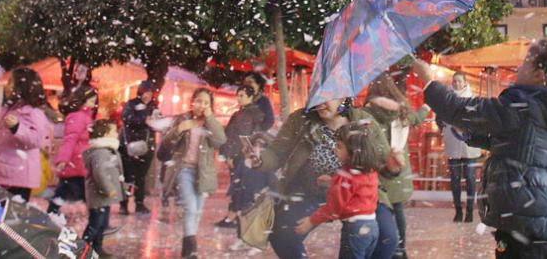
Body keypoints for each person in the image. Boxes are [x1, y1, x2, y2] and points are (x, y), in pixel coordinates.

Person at [414, 41, 547, 259]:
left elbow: (456, 108)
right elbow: (518, 145)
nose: (517, 70)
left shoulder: (520, 104)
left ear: (539, 74)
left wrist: (428, 81)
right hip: (544, 211)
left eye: (523, 64)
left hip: (523, 212)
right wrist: (468, 131)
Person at [248, 97, 397, 259]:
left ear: (344, 98)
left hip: (359, 195)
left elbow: (384, 161)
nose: (320, 102)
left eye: (328, 97)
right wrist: (259, 159)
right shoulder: (301, 119)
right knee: (283, 234)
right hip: (309, 191)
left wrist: (394, 165)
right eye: (317, 96)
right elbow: (277, 153)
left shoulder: (364, 121)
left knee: (386, 238)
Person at [294, 121, 384, 259]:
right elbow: (358, 189)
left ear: (353, 150)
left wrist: (312, 220)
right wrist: (333, 181)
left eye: (339, 146)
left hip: (355, 228)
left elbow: (334, 207)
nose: (334, 149)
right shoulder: (369, 171)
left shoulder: (345, 176)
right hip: (372, 226)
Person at [364, 72, 429, 258]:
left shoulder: (368, 112)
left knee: (380, 211)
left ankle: (385, 246)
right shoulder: (402, 110)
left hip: (378, 167)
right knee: (398, 210)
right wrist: (426, 107)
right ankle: (400, 249)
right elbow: (416, 119)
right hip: (399, 166)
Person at [157, 87, 226, 258]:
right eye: (199, 101)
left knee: (197, 211)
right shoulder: (182, 119)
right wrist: (179, 129)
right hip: (183, 169)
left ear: (210, 106)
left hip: (203, 172)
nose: (201, 105)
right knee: (190, 208)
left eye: (206, 102)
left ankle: (188, 247)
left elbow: (220, 141)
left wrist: (210, 118)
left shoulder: (211, 122)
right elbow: (164, 146)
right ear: (192, 102)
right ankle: (190, 250)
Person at [0, 67, 53, 201]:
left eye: (11, 82)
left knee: (12, 215)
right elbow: (1, 143)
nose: (7, 86)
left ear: (22, 87)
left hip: (18, 176)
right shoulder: (9, 110)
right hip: (2, 172)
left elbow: (36, 140)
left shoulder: (33, 113)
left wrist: (17, 128)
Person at [217, 84, 269, 227]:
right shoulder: (246, 113)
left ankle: (234, 216)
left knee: (240, 188)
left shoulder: (248, 114)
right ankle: (237, 216)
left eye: (242, 96)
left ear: (250, 97)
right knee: (241, 187)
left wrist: (230, 155)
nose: (239, 98)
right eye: (238, 95)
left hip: (242, 156)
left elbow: (237, 137)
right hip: (244, 156)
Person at [439, 71, 482, 223]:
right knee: (455, 179)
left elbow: (477, 118)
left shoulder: (472, 98)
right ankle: (458, 210)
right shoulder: (447, 99)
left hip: (469, 143)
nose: (457, 84)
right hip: (452, 141)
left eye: (459, 81)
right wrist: (444, 126)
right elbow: (440, 117)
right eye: (454, 81)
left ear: (465, 82)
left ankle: (470, 210)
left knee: (470, 178)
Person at [49, 86, 99, 215]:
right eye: (91, 101)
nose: (93, 105)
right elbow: (70, 139)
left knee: (69, 195)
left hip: (80, 164)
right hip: (75, 164)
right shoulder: (78, 117)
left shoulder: (85, 117)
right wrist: (63, 159)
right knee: (70, 194)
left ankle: (55, 216)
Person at [82, 119, 124, 259]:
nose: (116, 133)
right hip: (98, 195)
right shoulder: (100, 152)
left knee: (101, 224)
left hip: (103, 197)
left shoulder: (107, 150)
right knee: (95, 223)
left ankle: (97, 247)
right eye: (113, 131)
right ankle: (83, 247)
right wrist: (108, 188)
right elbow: (99, 173)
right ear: (105, 134)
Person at [119, 80, 157, 215]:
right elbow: (126, 118)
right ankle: (123, 203)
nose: (148, 95)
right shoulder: (131, 104)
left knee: (141, 177)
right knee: (128, 176)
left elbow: (156, 122)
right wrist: (143, 119)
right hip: (129, 146)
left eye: (150, 93)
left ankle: (139, 202)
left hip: (146, 147)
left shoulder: (153, 107)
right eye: (145, 92)